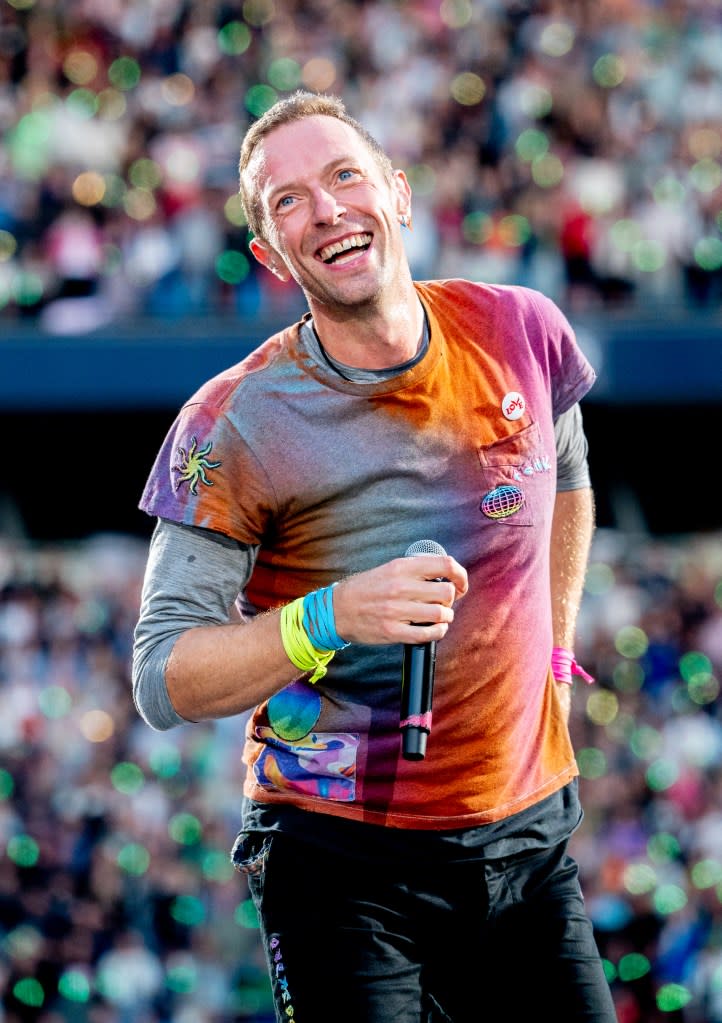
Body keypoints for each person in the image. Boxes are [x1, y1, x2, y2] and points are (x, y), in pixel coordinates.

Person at [132, 90, 617, 1022]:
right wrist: (330, 617)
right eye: (289, 201)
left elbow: (566, 469)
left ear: (397, 192)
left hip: (527, 838)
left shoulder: (519, 329)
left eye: (344, 176)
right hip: (338, 863)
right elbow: (162, 677)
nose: (326, 209)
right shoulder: (230, 422)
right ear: (272, 253)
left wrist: (554, 652)